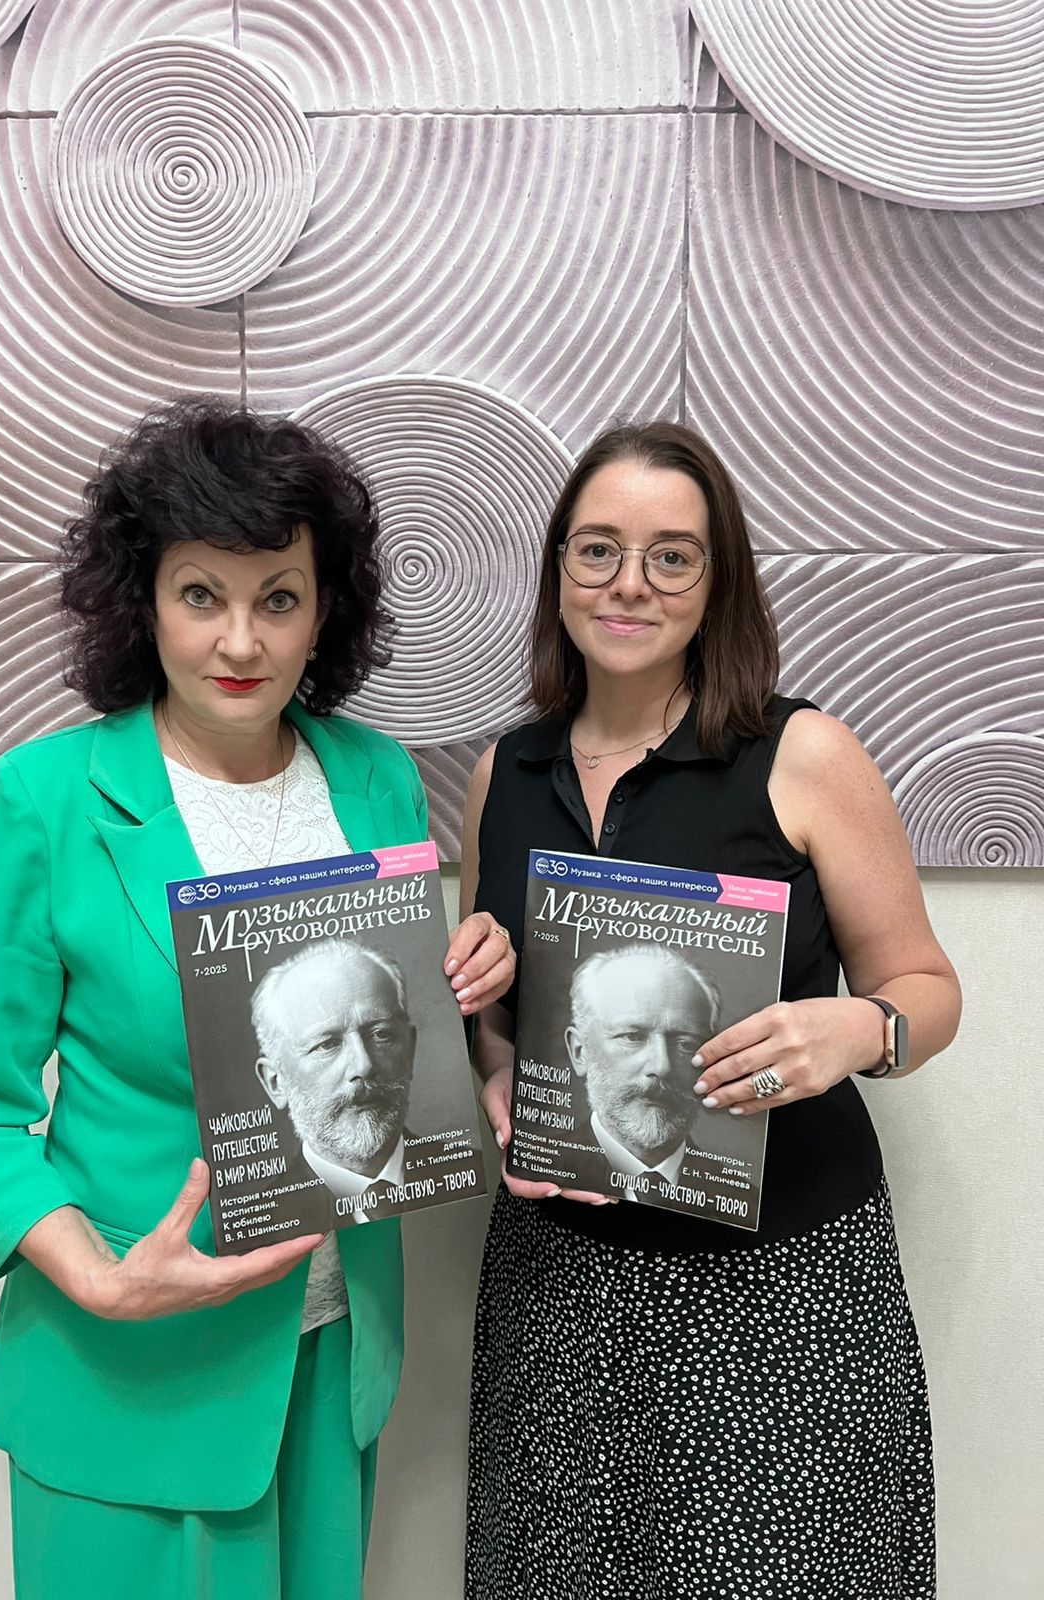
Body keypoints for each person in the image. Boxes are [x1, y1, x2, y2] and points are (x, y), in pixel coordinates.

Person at [0, 396, 514, 1600]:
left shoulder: (376, 779)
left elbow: (387, 1044)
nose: (241, 640)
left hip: (332, 1357)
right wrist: (96, 1275)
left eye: (278, 598)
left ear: (324, 610)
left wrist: (469, 990)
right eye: (201, 595)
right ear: (143, 600)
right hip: (131, 1375)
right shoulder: (43, 800)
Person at [462, 420, 960, 1599]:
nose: (629, 582)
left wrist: (861, 1030)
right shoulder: (504, 772)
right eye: (598, 549)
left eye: (671, 555)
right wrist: (491, 1058)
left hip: (780, 1288)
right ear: (558, 571)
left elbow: (927, 990)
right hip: (561, 1288)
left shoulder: (802, 754)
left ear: (716, 578)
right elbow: (508, 1025)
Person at [253, 941, 418, 1218]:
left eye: (381, 1034)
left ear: (410, 1051)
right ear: (276, 1083)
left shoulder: (470, 1172)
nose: (363, 1065)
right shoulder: (257, 1226)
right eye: (327, 1045)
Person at [564, 944, 721, 1194]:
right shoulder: (535, 1170)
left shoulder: (745, 1199)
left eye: (685, 1044)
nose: (662, 1066)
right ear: (580, 1052)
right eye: (632, 1037)